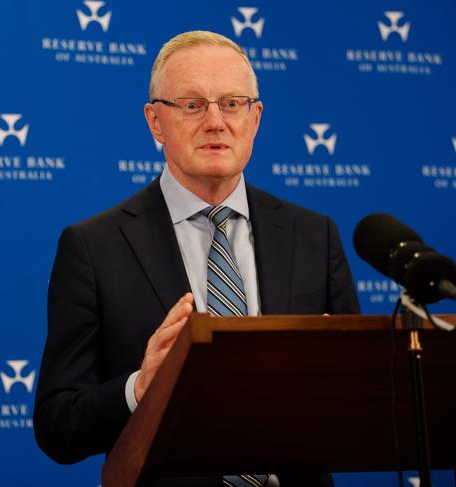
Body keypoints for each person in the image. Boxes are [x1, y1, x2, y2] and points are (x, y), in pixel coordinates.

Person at [34, 30, 360, 487]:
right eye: (191, 105)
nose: (215, 121)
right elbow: (56, 425)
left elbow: (358, 407)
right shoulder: (92, 247)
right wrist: (139, 389)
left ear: (255, 118)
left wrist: (341, 382)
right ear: (155, 121)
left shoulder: (314, 235)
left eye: (231, 103)